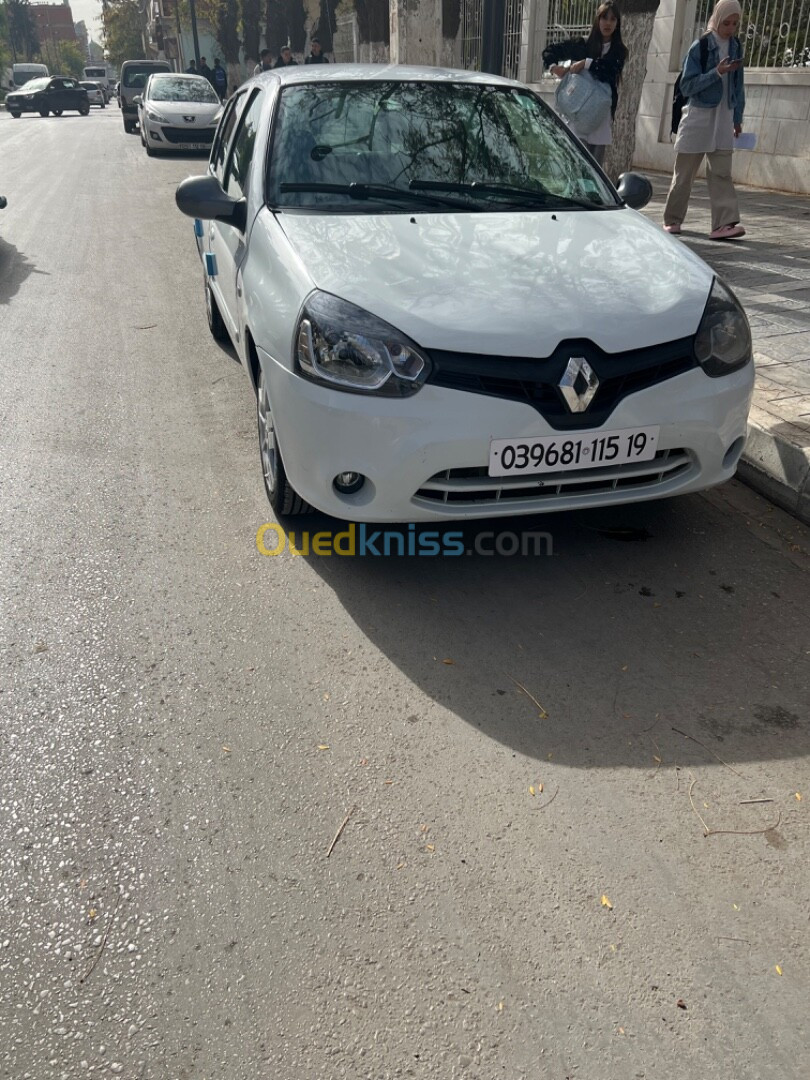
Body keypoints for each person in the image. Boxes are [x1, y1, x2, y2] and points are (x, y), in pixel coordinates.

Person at [663, 0, 746, 240]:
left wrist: (737, 117)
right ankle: (672, 220)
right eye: (726, 22)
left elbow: (738, 85)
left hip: (724, 117)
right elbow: (687, 85)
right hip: (699, 117)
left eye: (734, 23)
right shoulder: (699, 46)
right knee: (684, 175)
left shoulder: (736, 46)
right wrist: (716, 72)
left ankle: (724, 224)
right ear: (717, 19)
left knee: (722, 173)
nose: (730, 28)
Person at [542, 1, 627, 166]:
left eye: (612, 19)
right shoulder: (582, 44)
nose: (608, 23)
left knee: (594, 169)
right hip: (577, 113)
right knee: (574, 164)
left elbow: (609, 69)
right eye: (604, 18)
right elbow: (549, 51)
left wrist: (585, 63)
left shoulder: (619, 51)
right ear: (597, 20)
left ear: (617, 24)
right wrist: (554, 68)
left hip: (599, 117)